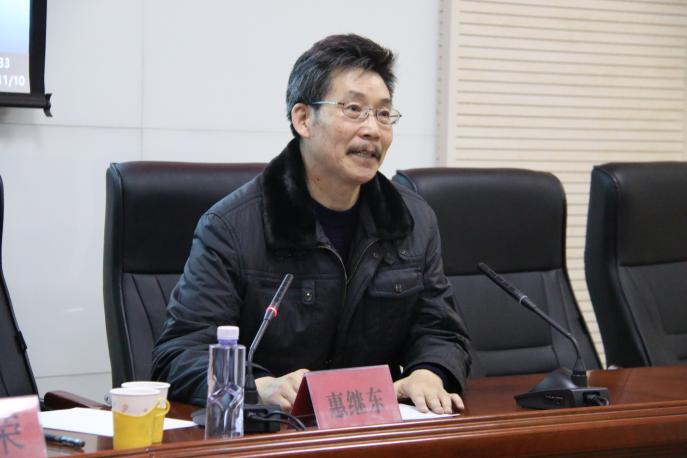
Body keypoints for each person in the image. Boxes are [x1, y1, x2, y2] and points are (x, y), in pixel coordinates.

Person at [152, 34, 471, 414]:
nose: (373, 129)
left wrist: (429, 373)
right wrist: (260, 387)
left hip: (374, 430)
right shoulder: (231, 227)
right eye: (354, 109)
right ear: (303, 119)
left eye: (384, 114)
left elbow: (440, 330)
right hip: (277, 432)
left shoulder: (413, 220)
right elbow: (180, 353)